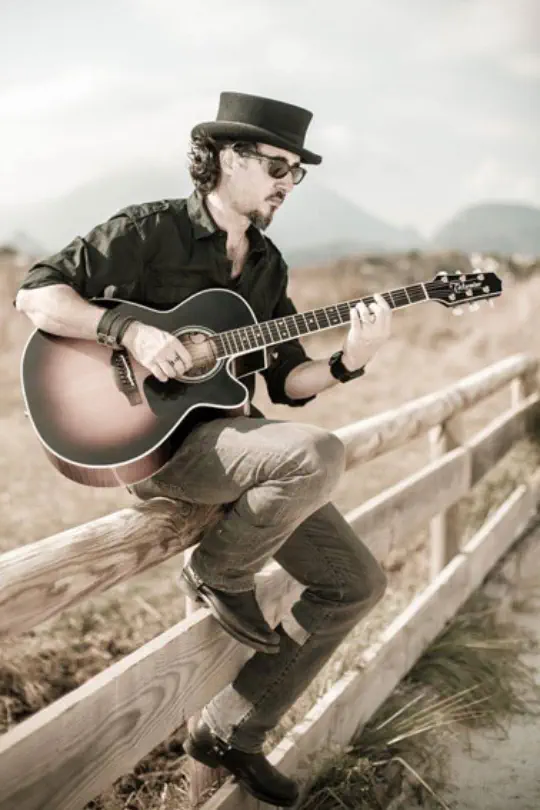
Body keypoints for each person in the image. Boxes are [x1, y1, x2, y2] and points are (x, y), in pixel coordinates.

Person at [15, 91, 391, 807]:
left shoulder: (267, 264)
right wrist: (129, 331)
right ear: (227, 158)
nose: (288, 183)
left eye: (297, 172)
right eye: (277, 166)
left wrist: (350, 361)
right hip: (155, 447)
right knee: (316, 453)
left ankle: (230, 732)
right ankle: (219, 570)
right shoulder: (148, 230)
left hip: (238, 445)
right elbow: (37, 296)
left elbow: (288, 379)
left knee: (356, 584)